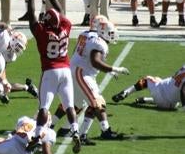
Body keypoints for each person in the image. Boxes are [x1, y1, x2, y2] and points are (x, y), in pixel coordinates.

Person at [50, 16, 128, 145]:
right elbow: (95, 61)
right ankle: (105, 131)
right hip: (82, 73)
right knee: (97, 102)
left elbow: (79, 53)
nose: (113, 35)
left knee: (76, 104)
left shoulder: (87, 36)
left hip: (77, 70)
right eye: (111, 32)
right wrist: (115, 69)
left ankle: (67, 130)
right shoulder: (99, 42)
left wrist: (109, 70)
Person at [27, 0, 81, 154]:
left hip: (50, 71)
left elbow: (32, 16)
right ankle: (75, 130)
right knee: (69, 105)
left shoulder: (42, 33)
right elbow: (58, 8)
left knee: (44, 107)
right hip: (65, 71)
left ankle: (36, 137)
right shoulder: (66, 27)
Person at [112, 65, 185, 110]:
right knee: (156, 80)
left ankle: (126, 92)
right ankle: (146, 100)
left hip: (161, 96)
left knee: (147, 80)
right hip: (173, 105)